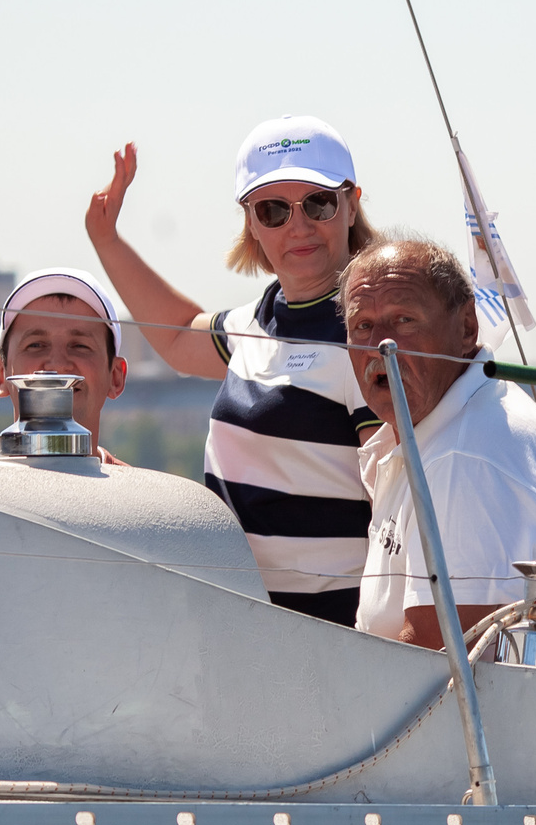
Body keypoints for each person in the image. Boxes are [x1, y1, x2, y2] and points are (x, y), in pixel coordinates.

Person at [86, 115, 381, 624]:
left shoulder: (367, 335)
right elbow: (179, 338)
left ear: (352, 203)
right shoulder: (256, 320)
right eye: (273, 210)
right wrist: (106, 239)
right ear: (250, 222)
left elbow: (401, 501)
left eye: (318, 202)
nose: (299, 225)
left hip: (332, 632)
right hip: (240, 614)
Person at [340, 238, 536, 683]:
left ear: (467, 327)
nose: (381, 345)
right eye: (362, 326)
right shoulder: (448, 431)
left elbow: (436, 666)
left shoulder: (466, 456)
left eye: (404, 320)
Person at [0, 267, 129, 461]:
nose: (57, 366)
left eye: (80, 346)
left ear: (116, 377)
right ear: (0, 374)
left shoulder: (145, 491)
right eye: (36, 345)